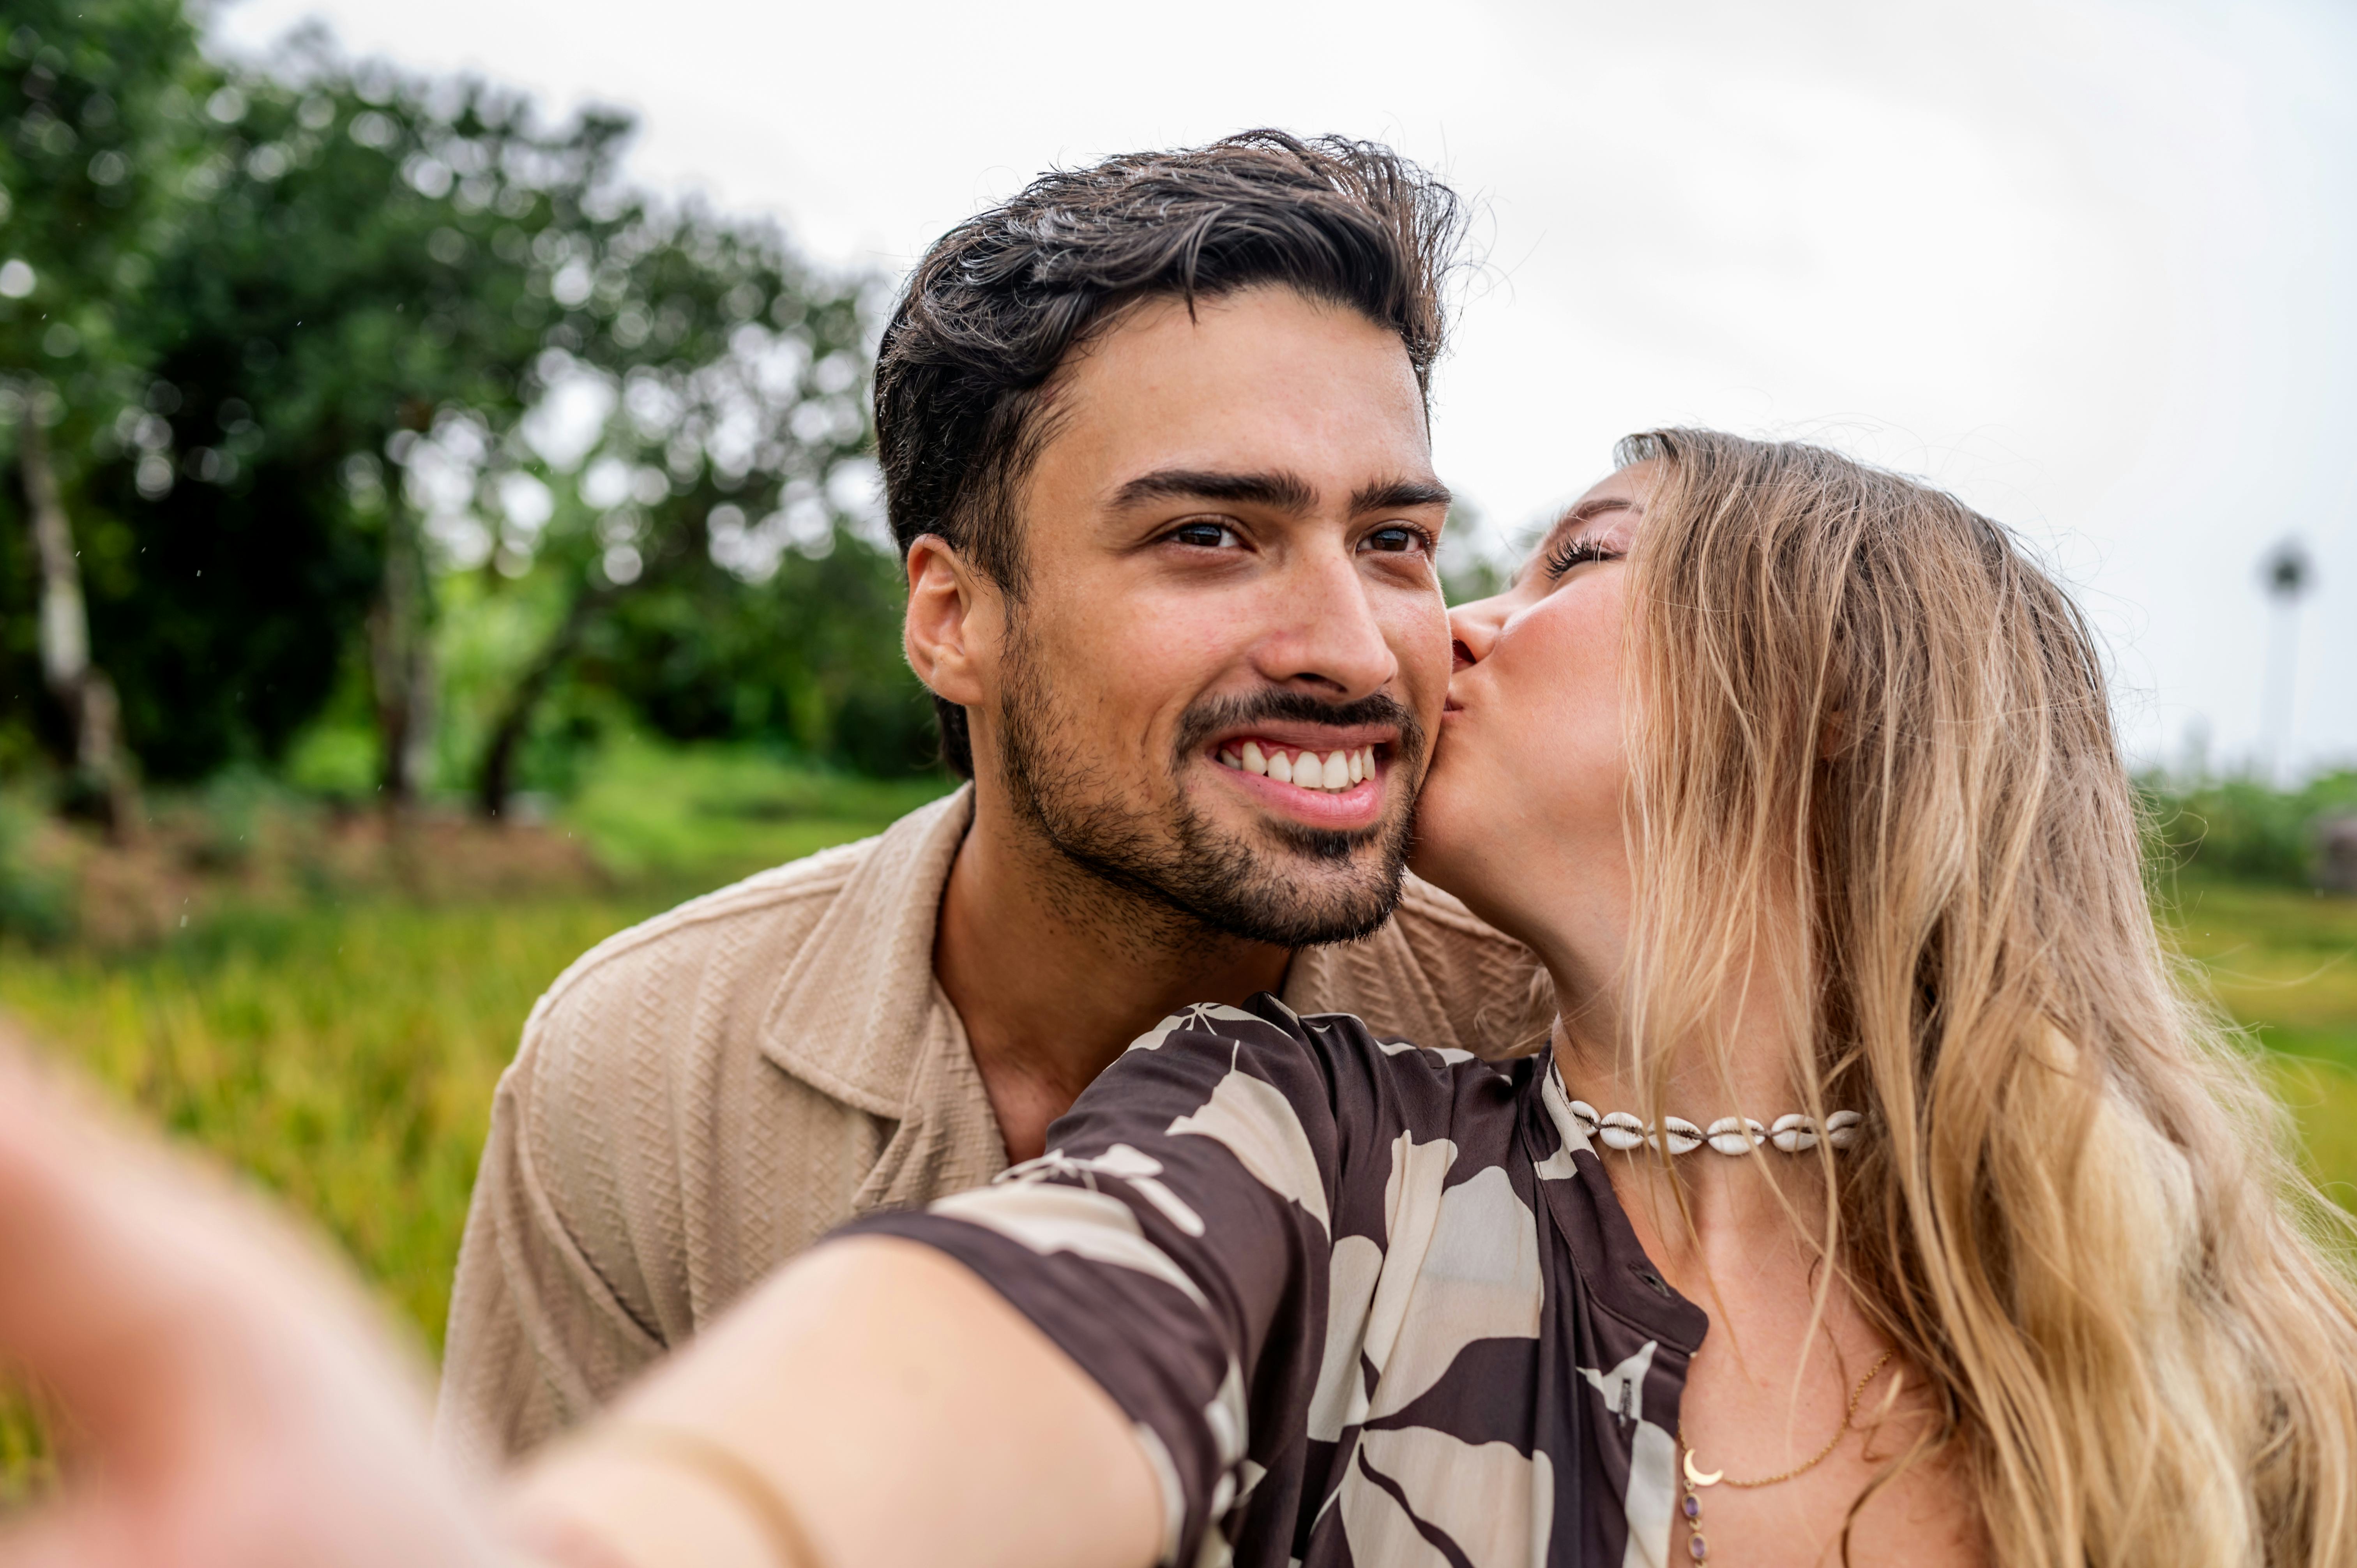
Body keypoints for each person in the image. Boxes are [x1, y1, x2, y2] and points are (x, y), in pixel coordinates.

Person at [5, 431, 2354, 1568]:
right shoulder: (1302, 1144)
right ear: (957, 607)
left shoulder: (2241, 1364)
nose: (1434, 634)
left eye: (1564, 566)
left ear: (1829, 713)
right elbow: (983, 1362)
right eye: (1211, 535)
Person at [436, 131, 1556, 1472]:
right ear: (954, 616)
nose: (1359, 650)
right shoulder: (648, 1078)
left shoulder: (1546, 1030)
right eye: (1209, 536)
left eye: (1395, 545)